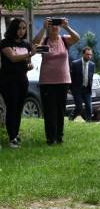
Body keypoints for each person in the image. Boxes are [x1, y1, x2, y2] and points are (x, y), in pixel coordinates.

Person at [32, 17, 80, 145]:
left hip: (63, 81)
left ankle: (59, 137)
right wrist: (43, 28)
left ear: (59, 27)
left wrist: (66, 26)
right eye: (52, 25)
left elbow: (77, 38)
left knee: (60, 110)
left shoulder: (64, 40)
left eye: (57, 25)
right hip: (47, 82)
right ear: (49, 27)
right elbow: (34, 44)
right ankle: (50, 138)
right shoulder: (45, 41)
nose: (54, 27)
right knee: (49, 111)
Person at [0, 18, 37, 148]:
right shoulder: (5, 43)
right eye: (19, 28)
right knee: (12, 108)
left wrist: (29, 65)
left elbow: (26, 63)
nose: (21, 31)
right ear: (13, 29)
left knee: (19, 108)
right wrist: (30, 54)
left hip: (22, 80)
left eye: (23, 28)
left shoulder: (26, 45)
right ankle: (12, 138)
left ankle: (15, 134)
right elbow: (13, 58)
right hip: (8, 81)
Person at [69, 47, 95, 122]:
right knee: (79, 107)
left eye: (90, 55)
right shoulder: (75, 64)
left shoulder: (92, 65)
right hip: (77, 89)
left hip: (87, 89)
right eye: (87, 54)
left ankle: (89, 122)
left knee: (89, 107)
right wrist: (70, 89)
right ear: (83, 54)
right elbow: (71, 77)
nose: (89, 56)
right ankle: (71, 118)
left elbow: (91, 77)